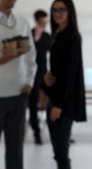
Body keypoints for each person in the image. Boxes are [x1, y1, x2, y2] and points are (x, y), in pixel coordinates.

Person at [44, 0, 86, 169]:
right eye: (54, 10)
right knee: (58, 152)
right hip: (54, 98)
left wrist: (58, 106)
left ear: (70, 12)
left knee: (61, 152)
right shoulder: (57, 35)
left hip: (63, 102)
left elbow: (69, 74)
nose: (57, 13)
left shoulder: (72, 37)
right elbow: (59, 69)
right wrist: (47, 76)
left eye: (62, 10)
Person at [0, 0, 36, 169]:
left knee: (15, 150)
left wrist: (29, 82)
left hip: (18, 94)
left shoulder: (22, 22)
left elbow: (32, 56)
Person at [28, 9, 50, 145]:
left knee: (52, 100)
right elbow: (29, 53)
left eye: (45, 21)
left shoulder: (47, 36)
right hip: (31, 74)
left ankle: (59, 133)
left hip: (44, 72)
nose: (45, 23)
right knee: (32, 103)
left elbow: (45, 52)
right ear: (37, 20)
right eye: (42, 21)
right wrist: (35, 38)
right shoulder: (29, 34)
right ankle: (36, 132)